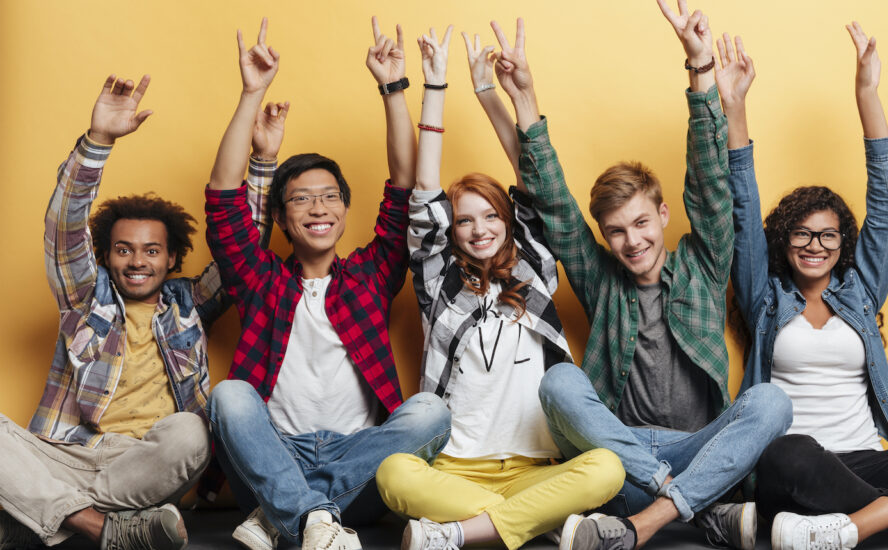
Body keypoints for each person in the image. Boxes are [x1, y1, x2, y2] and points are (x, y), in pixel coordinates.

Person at [509, 2, 793, 549]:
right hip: (622, 457)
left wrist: (700, 65)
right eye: (616, 231)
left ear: (663, 215)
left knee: (772, 403)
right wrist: (524, 95)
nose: (632, 241)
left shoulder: (703, 262)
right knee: (558, 381)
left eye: (641, 222)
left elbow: (711, 182)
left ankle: (659, 516)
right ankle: (695, 508)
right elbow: (558, 209)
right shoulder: (600, 278)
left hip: (698, 449)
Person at [374, 22, 625, 550]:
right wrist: (435, 88)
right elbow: (424, 195)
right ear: (453, 231)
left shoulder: (533, 271)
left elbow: (533, 177)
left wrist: (491, 93)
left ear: (508, 222)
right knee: (393, 473)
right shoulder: (439, 283)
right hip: (454, 470)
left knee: (606, 467)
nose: (479, 229)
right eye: (465, 221)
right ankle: (544, 524)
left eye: (490, 216)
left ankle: (462, 535)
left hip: (537, 465)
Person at [203, 18, 451, 550]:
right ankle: (309, 513)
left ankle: (289, 515)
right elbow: (223, 198)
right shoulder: (260, 278)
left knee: (431, 412)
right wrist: (252, 92)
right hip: (272, 459)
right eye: (299, 198)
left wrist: (393, 88)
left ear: (344, 208)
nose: (317, 206)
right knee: (228, 396)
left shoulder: (369, 274)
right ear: (283, 218)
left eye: (328, 196)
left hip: (357, 461)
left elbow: (405, 187)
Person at [0, 70, 269, 550]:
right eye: (123, 250)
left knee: (193, 432)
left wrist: (263, 163)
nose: (138, 261)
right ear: (106, 255)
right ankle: (100, 527)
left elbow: (242, 250)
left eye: (151, 251)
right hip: (66, 453)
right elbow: (64, 229)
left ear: (171, 257)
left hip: (145, 464)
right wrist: (99, 140)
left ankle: (38, 514)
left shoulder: (191, 303)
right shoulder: (84, 298)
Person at [724, 21, 888, 550]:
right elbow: (742, 208)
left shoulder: (861, 292)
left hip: (869, 462)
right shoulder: (766, 296)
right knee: (788, 452)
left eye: (828, 235)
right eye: (802, 234)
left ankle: (859, 522)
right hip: (796, 465)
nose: (815, 245)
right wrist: (734, 108)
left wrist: (866, 93)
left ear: (843, 242)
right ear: (783, 241)